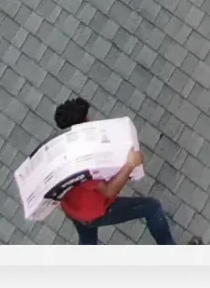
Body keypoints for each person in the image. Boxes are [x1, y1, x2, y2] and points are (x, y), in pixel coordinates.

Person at [46, 97, 177, 245]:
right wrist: (130, 164)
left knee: (87, 238)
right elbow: (109, 191)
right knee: (152, 208)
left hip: (73, 209)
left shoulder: (60, 149)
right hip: (94, 212)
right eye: (87, 119)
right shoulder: (84, 161)